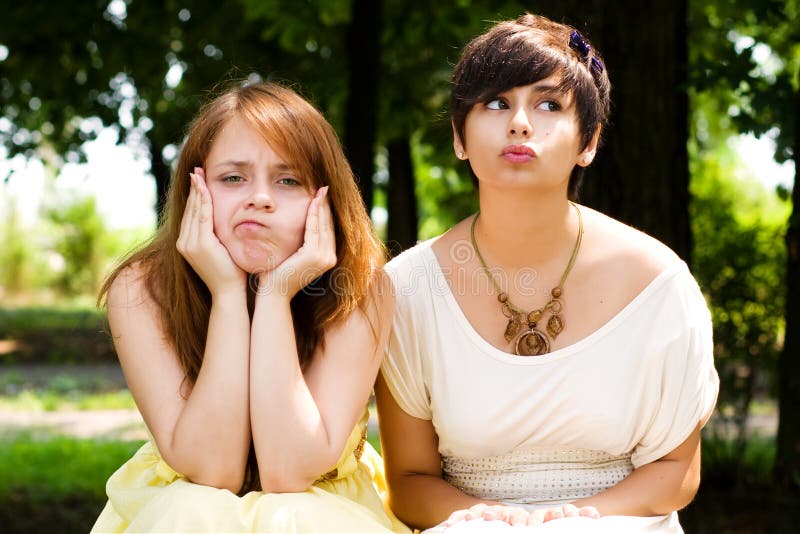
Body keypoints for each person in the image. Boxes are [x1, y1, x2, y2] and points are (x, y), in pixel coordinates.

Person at [375, 13, 719, 533]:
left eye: (548, 104)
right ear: (458, 137)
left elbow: (676, 472)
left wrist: (574, 519)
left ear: (590, 142)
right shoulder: (408, 288)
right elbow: (410, 479)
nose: (519, 122)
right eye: (496, 103)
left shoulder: (657, 283)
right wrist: (493, 520)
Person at [91, 81, 410, 533]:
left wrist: (277, 294)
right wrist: (226, 294)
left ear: (325, 196)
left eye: (288, 180)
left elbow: (289, 469)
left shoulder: (361, 287)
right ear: (195, 187)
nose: (259, 198)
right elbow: (212, 469)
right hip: (181, 509)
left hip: (322, 510)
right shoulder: (142, 288)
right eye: (233, 178)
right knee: (191, 513)